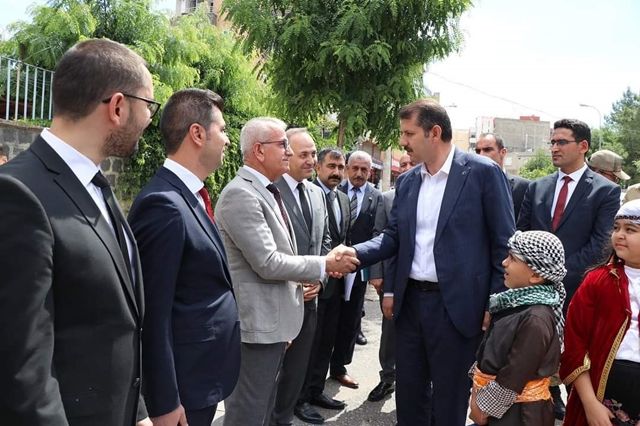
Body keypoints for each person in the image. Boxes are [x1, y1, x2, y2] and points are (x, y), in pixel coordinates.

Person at [0, 39, 156, 425]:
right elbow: (22, 369)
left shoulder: (94, 184)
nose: (150, 119)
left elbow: (114, 325)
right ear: (118, 107)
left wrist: (137, 412)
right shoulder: (18, 193)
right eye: (149, 106)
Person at [353, 99, 515, 425]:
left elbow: (503, 243)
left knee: (449, 400)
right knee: (409, 398)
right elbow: (394, 237)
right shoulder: (408, 181)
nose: (403, 141)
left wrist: (495, 302)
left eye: (409, 133)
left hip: (457, 309)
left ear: (434, 132)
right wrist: (355, 254)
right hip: (411, 305)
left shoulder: (483, 174)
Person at [215, 117, 358, 426]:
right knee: (248, 414)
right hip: (256, 328)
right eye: (283, 145)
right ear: (258, 150)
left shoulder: (265, 190)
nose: (289, 153)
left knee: (265, 409)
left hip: (275, 323)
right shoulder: (242, 194)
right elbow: (268, 262)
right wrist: (324, 264)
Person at [128, 89, 240, 426]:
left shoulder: (190, 196)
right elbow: (152, 314)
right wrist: (163, 402)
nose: (228, 140)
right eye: (223, 130)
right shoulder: (164, 204)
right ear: (197, 133)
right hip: (182, 391)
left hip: (201, 377)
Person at [517, 118, 620, 419]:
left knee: (576, 362)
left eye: (561, 142)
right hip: (533, 295)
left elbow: (600, 246)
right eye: (552, 142)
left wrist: (551, 276)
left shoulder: (604, 191)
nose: (554, 148)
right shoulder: (537, 187)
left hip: (578, 293)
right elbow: (522, 237)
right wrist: (535, 277)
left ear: (583, 146)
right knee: (532, 360)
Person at [469, 230, 566, 426]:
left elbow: (515, 374)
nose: (504, 263)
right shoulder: (516, 305)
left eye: (513, 258)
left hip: (519, 416)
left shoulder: (536, 318)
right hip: (503, 411)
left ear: (536, 275)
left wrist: (483, 408)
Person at [270, 127, 331, 426]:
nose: (311, 160)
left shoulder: (318, 194)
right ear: (287, 154)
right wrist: (295, 281)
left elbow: (325, 241)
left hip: (310, 301)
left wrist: (320, 279)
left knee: (296, 370)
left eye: (313, 153)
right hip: (279, 300)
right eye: (303, 154)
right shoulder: (270, 191)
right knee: (269, 373)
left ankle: (284, 417)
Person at [560, 199, 640, 426]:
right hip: (597, 397)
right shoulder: (597, 281)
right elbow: (574, 344)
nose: (619, 235)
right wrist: (590, 404)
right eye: (616, 228)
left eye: (630, 230)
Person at [296, 148, 352, 424]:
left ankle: (316, 390)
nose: (337, 172)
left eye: (341, 167)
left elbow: (336, 239)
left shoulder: (342, 198)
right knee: (308, 346)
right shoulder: (307, 193)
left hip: (334, 284)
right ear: (318, 167)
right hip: (311, 284)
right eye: (331, 166)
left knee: (325, 343)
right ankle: (299, 399)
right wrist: (320, 272)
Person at [331, 150, 386, 389]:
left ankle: (340, 367)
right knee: (328, 318)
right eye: (355, 168)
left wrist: (374, 272)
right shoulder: (335, 191)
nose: (359, 173)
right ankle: (316, 369)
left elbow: (378, 234)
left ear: (370, 172)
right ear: (347, 168)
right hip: (332, 267)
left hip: (359, 268)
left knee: (351, 318)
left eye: (364, 170)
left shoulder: (377, 197)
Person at [367, 153, 414, 403]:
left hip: (422, 283)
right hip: (391, 280)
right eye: (403, 164)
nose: (406, 167)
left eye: (411, 163)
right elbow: (379, 236)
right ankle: (387, 377)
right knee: (390, 334)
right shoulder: (386, 199)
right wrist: (376, 275)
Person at [475, 133, 529, 220]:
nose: (481, 155)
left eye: (487, 150)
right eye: (478, 151)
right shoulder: (469, 186)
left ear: (503, 152)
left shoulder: (523, 187)